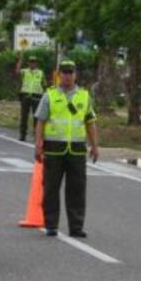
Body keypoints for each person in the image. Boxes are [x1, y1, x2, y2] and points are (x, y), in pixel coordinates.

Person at [34, 59, 99, 238]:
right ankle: (51, 225)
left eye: (70, 72)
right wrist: (38, 144)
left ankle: (76, 227)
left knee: (77, 190)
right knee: (51, 189)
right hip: (54, 149)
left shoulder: (84, 96)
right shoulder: (50, 95)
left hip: (77, 150)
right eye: (64, 72)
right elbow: (41, 121)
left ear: (75, 75)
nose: (67, 76)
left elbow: (90, 123)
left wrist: (94, 146)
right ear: (58, 75)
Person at [16, 54, 45, 141]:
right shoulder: (25, 71)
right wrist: (20, 60)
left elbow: (44, 84)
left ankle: (36, 135)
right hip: (25, 96)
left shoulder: (40, 73)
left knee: (36, 117)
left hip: (36, 97)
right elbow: (17, 71)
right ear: (28, 63)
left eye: (34, 62)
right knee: (24, 116)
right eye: (30, 62)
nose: (32, 64)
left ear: (36, 64)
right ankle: (22, 135)